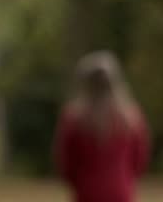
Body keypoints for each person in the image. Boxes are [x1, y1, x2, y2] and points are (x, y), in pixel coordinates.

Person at [54, 51, 150, 202]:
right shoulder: (131, 118)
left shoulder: (74, 118)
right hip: (121, 192)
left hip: (87, 192)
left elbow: (66, 164)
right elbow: (139, 160)